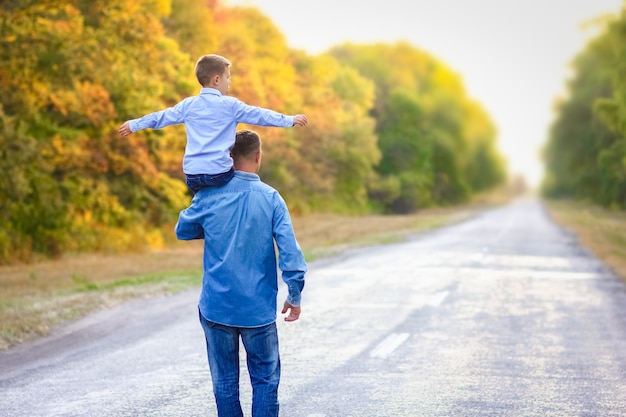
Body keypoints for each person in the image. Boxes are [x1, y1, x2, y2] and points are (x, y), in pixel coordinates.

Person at [175, 130, 307, 417]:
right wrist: (294, 294)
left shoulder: (208, 195)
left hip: (216, 308)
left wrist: (211, 226)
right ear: (258, 157)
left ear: (229, 156)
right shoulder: (271, 198)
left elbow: (182, 230)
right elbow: (290, 253)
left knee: (224, 383)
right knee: (265, 381)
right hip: (257, 310)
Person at [118, 53, 308, 194]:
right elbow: (260, 115)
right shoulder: (230, 105)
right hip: (219, 175)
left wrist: (134, 125)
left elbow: (160, 118)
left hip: (192, 176)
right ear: (217, 79)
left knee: (204, 196)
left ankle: (200, 218)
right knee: (242, 181)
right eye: (228, 77)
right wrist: (289, 120)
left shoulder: (188, 105)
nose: (229, 82)